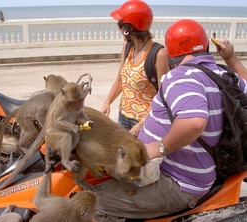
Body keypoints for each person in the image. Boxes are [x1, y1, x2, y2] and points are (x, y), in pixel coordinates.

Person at [91, 19, 247, 222]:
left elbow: (194, 122)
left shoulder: (182, 76)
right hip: (198, 173)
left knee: (90, 202)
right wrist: (230, 57)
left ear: (172, 51)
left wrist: (159, 148)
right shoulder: (223, 74)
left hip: (177, 181)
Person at [100, 0, 170, 138]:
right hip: (123, 117)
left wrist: (142, 124)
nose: (118, 28)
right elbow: (120, 81)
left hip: (146, 122)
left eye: (120, 24)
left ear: (129, 28)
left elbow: (164, 97)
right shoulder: (127, 46)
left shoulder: (159, 54)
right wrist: (107, 102)